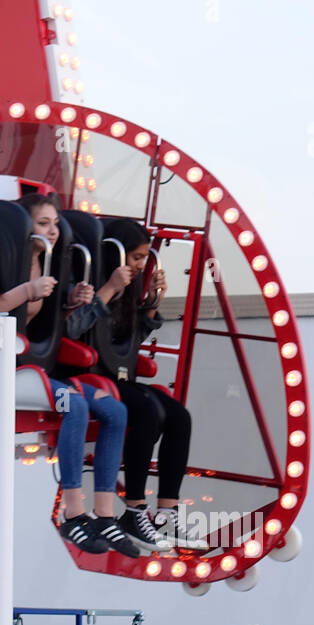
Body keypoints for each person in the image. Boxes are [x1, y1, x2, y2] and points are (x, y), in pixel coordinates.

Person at [0, 193, 135, 556]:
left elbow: (57, 329)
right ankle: (73, 513)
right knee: (73, 405)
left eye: (55, 224)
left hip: (30, 367)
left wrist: (75, 301)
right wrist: (26, 291)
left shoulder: (49, 264)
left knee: (115, 412)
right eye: (43, 224)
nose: (53, 230)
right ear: (22, 227)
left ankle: (104, 514)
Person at [67, 220, 199, 551]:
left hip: (119, 374)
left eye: (143, 259)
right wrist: (109, 288)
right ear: (116, 253)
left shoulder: (129, 291)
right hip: (89, 375)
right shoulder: (88, 282)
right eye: (135, 258)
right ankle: (135, 509)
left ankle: (167, 511)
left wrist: (151, 304)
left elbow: (127, 343)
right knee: (146, 412)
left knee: (179, 417)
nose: (140, 266)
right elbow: (73, 329)